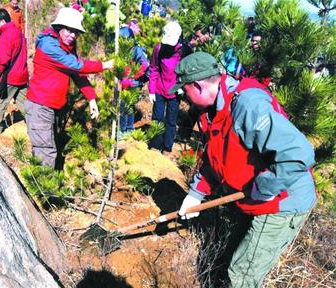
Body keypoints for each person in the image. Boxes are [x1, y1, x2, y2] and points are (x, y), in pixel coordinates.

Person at [170, 52, 317, 287]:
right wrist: (196, 194)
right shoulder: (215, 111)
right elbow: (215, 157)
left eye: (184, 91)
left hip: (281, 200)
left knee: (242, 276)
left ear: (197, 85)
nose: (183, 98)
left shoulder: (248, 106)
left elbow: (299, 154)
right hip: (254, 198)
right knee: (230, 259)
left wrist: (263, 187)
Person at [24, 7, 114, 168]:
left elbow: (76, 74)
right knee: (46, 152)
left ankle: (42, 182)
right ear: (59, 27)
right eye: (69, 31)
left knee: (47, 147)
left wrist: (92, 98)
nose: (73, 36)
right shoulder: (49, 46)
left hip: (53, 106)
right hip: (40, 105)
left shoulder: (66, 46)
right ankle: (43, 191)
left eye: (76, 32)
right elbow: (76, 65)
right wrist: (105, 65)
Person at [0, 9, 28, 134]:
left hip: (11, 76)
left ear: (2, 21)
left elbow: (3, 60)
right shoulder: (18, 31)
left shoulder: (6, 35)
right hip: (22, 74)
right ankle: (34, 124)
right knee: (23, 102)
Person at [148, 21, 182, 154]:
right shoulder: (158, 49)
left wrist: (182, 86)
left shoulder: (183, 51)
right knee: (157, 118)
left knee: (171, 120)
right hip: (159, 89)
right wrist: (151, 90)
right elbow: (154, 69)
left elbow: (188, 71)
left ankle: (167, 147)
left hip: (175, 91)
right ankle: (155, 145)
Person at [119, 20, 149, 139]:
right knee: (126, 106)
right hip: (125, 82)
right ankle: (127, 129)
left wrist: (134, 76)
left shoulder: (136, 49)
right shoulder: (124, 50)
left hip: (133, 83)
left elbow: (144, 65)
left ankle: (124, 130)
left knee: (125, 106)